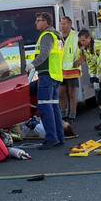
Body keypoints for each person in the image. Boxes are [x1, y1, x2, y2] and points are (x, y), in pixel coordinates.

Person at [31, 12, 65, 149]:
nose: (36, 23)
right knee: (54, 108)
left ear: (46, 22)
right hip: (55, 75)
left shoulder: (47, 36)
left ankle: (51, 138)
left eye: (39, 20)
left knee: (45, 108)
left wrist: (32, 64)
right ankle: (59, 137)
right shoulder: (57, 35)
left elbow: (44, 53)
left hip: (47, 75)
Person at [59, 15, 81, 135]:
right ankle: (63, 115)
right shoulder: (58, 36)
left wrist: (79, 61)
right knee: (61, 94)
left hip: (73, 69)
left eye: (64, 24)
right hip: (61, 70)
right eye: (61, 24)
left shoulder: (76, 36)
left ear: (70, 24)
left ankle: (72, 116)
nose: (62, 26)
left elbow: (82, 50)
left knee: (72, 94)